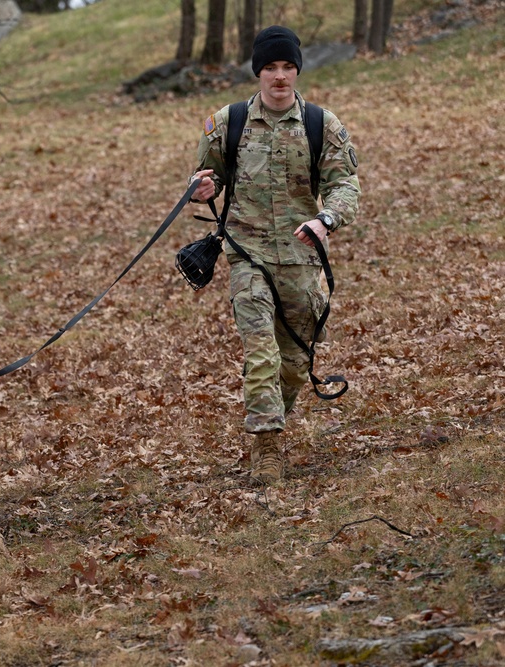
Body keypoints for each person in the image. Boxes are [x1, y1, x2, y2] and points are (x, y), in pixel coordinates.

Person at [190, 25, 362, 484]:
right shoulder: (228, 122)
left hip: (302, 258)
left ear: (297, 71)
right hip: (247, 254)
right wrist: (202, 187)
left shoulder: (322, 125)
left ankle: (273, 419)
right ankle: (267, 448)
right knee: (261, 351)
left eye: (287, 67)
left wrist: (326, 219)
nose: (280, 76)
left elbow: (345, 185)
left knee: (295, 364)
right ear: (258, 72)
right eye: (270, 67)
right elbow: (209, 175)